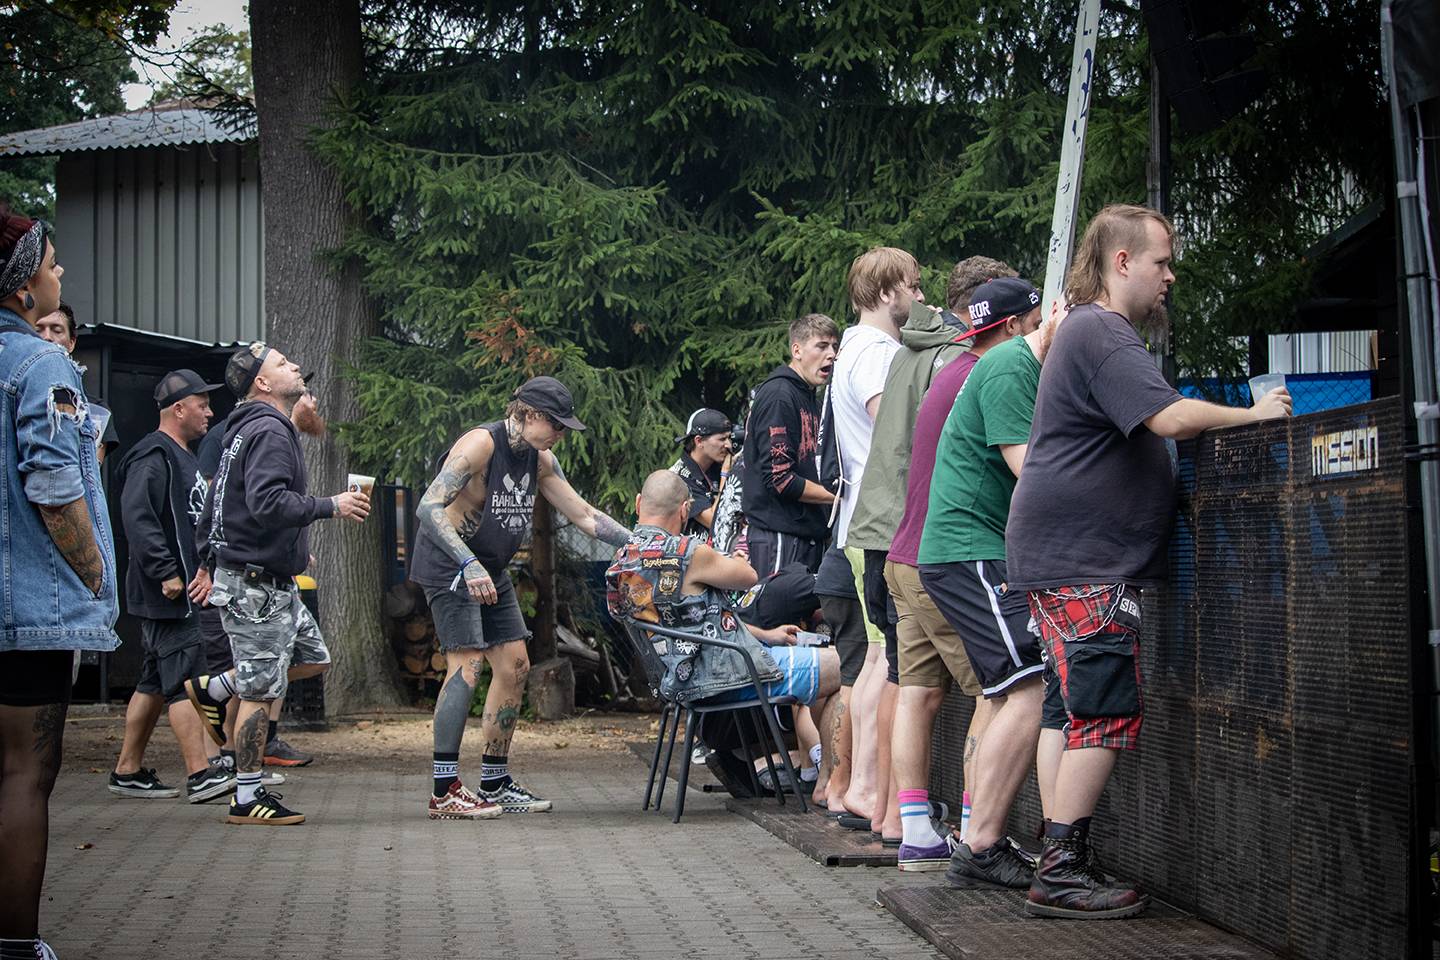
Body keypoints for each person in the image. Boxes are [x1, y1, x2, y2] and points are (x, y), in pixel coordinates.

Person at [1006, 204, 1292, 918]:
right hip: (1084, 562)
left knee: (1075, 712)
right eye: (1162, 261)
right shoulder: (1102, 330)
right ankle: (1062, 870)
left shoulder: (1086, 330)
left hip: (1067, 558)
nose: (1171, 274)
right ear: (1122, 262)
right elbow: (1168, 418)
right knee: (1102, 712)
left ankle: (1059, 854)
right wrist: (1254, 416)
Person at [411, 375, 632, 819]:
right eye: (556, 424)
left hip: (490, 569)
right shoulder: (481, 445)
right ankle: (445, 790)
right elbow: (428, 507)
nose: (561, 434)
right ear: (528, 413)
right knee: (468, 665)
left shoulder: (541, 459)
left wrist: (643, 546)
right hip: (452, 565)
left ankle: (493, 781)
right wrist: (466, 564)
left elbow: (586, 515)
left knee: (515, 666)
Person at [184, 342, 371, 826]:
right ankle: (247, 797)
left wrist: (212, 559)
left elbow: (217, 506)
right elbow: (268, 503)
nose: (295, 365)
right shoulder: (268, 430)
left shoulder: (243, 431)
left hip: (266, 577)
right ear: (261, 383)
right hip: (255, 587)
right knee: (260, 691)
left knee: (314, 659)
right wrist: (330, 505)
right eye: (283, 363)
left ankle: (216, 686)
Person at [0, 210, 119, 960]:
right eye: (51, 261)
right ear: (20, 289)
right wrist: (98, 571)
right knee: (22, 775)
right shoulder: (42, 365)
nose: (60, 273)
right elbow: (52, 485)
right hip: (26, 615)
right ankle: (16, 943)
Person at [881, 256, 1018, 868]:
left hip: (903, 553)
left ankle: (916, 830)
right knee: (1003, 694)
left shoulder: (933, 367)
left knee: (917, 692)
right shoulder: (983, 375)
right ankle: (974, 831)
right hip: (950, 554)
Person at [912, 276, 1048, 889]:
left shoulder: (985, 361)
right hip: (971, 551)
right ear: (1022, 322)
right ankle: (982, 841)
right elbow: (1032, 469)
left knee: (1003, 690)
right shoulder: (1007, 366)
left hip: (960, 550)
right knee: (1032, 686)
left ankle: (977, 837)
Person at [606, 469, 841, 737]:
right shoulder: (690, 553)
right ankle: (830, 776)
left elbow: (691, 626)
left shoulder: (622, 561)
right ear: (684, 511)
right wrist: (737, 558)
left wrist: (764, 635)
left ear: (638, 503)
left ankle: (814, 769)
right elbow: (749, 577)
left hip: (680, 681)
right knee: (848, 666)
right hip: (725, 679)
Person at [108, 369, 234, 804]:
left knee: (152, 681)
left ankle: (127, 769)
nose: (209, 412)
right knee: (188, 679)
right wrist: (167, 573)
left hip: (181, 589)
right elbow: (138, 516)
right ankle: (201, 774)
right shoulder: (152, 455)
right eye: (202, 404)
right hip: (171, 592)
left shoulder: (183, 455)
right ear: (178, 409)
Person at [830, 247, 923, 833]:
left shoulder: (859, 348)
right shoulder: (875, 352)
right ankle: (864, 786)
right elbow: (899, 428)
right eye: (913, 285)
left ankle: (856, 785)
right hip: (879, 519)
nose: (920, 296)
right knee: (884, 661)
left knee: (874, 660)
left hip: (868, 519)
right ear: (888, 292)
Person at [740, 313, 839, 577]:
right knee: (776, 617)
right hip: (779, 538)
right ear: (796, 349)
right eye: (821, 346)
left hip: (807, 537)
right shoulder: (779, 396)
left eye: (834, 346)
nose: (831, 354)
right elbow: (780, 478)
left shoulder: (811, 399)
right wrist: (841, 498)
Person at [34, 300, 119, 463]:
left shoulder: (96, 410)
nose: (47, 337)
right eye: (38, 329)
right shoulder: (12, 395)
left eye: (56, 330)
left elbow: (92, 471)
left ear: (72, 342)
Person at [669, 407, 733, 539]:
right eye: (722, 439)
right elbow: (715, 522)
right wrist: (726, 474)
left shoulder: (715, 466)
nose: (728, 445)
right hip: (692, 557)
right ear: (698, 441)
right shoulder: (679, 479)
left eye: (729, 438)